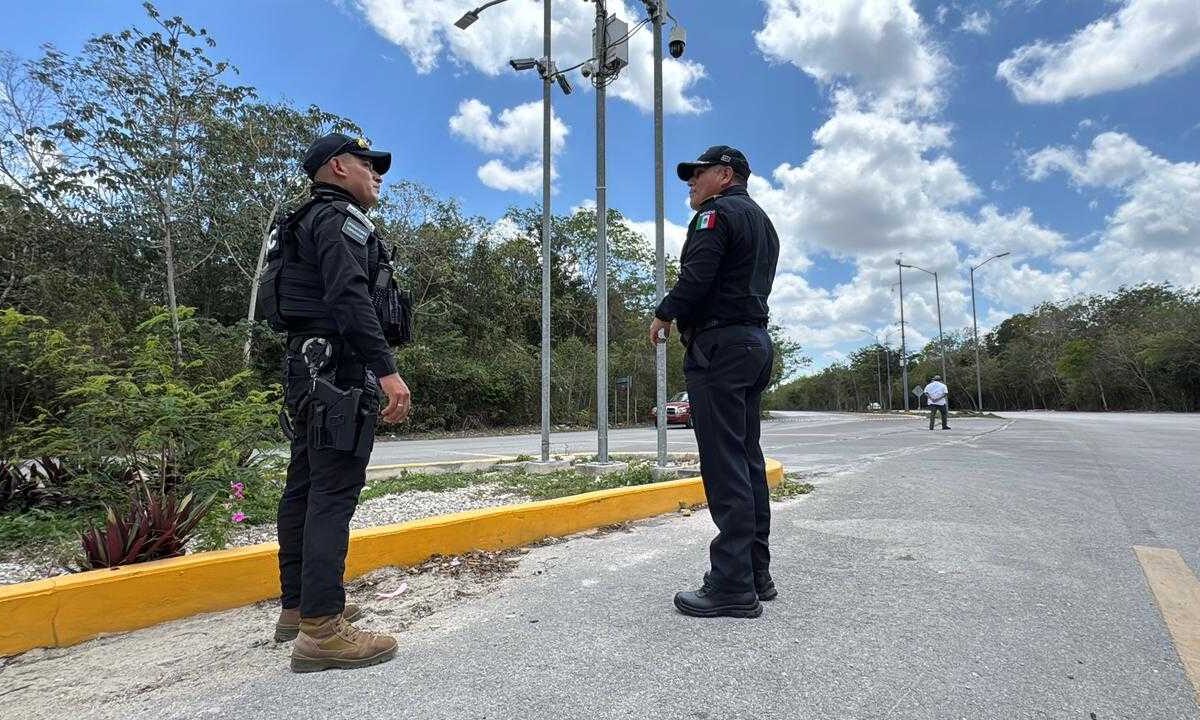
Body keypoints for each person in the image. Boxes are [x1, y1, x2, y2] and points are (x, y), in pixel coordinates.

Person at [257, 132, 412, 672]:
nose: (378, 175)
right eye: (370, 165)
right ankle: (323, 630)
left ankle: (299, 608)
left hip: (306, 365)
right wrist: (386, 370)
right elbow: (349, 297)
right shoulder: (339, 219)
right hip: (339, 370)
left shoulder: (303, 219)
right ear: (339, 166)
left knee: (303, 486)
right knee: (332, 493)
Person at [649, 145, 780, 619]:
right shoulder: (763, 223)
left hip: (720, 347)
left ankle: (730, 585)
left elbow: (697, 275)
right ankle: (755, 573)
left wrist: (665, 314)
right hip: (754, 343)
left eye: (697, 174)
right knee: (746, 458)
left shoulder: (715, 216)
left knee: (725, 464)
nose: (691, 183)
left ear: (725, 175)